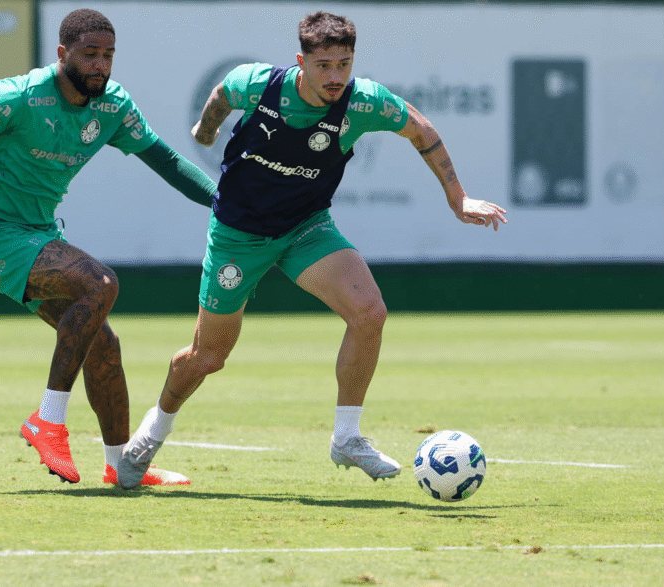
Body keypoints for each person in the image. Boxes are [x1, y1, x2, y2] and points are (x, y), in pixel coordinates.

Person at [117, 11, 507, 489]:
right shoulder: (257, 85)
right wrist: (205, 128)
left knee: (370, 312)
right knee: (209, 355)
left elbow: (422, 132)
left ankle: (347, 437)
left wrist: (458, 198)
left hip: (306, 229)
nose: (336, 76)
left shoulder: (365, 102)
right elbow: (220, 95)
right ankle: (151, 434)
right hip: (239, 234)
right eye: (323, 65)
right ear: (300, 61)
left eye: (344, 63)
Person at [0, 9, 216, 486]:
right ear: (62, 54)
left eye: (108, 56)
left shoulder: (112, 107)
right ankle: (48, 420)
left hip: (38, 234)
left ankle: (123, 466)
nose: (100, 65)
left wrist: (224, 202)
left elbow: (169, 162)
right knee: (101, 283)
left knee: (103, 344)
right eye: (89, 54)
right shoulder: (17, 98)